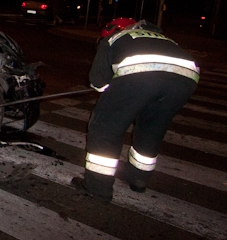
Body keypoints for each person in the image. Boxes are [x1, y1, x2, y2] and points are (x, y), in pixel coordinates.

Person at [73, 18, 199, 202]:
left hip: (141, 78)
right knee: (151, 129)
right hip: (186, 81)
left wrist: (115, 90)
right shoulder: (161, 37)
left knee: (104, 129)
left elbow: (97, 82)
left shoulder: (114, 38)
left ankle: (97, 188)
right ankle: (138, 179)